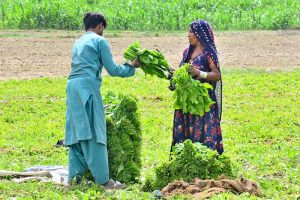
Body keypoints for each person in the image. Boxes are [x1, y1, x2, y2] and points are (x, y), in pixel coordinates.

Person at [65, 12, 140, 189]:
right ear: (100, 26)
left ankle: (75, 177)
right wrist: (132, 66)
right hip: (87, 87)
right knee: (95, 131)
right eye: (103, 29)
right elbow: (113, 69)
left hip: (72, 86)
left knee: (77, 130)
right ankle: (104, 180)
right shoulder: (100, 41)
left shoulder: (78, 41)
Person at [169, 20, 223, 155]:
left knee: (203, 133)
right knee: (185, 134)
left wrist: (200, 73)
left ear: (200, 34)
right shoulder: (187, 52)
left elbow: (217, 75)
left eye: (191, 32)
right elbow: (183, 72)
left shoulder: (208, 53)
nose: (188, 35)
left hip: (202, 102)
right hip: (186, 101)